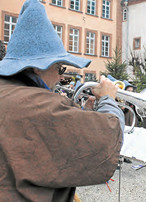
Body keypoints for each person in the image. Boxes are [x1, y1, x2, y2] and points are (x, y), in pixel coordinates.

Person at [0, 0, 124, 201]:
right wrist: (109, 99)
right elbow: (109, 135)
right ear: (38, 67)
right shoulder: (43, 104)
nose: (60, 77)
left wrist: (83, 114)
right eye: (59, 68)